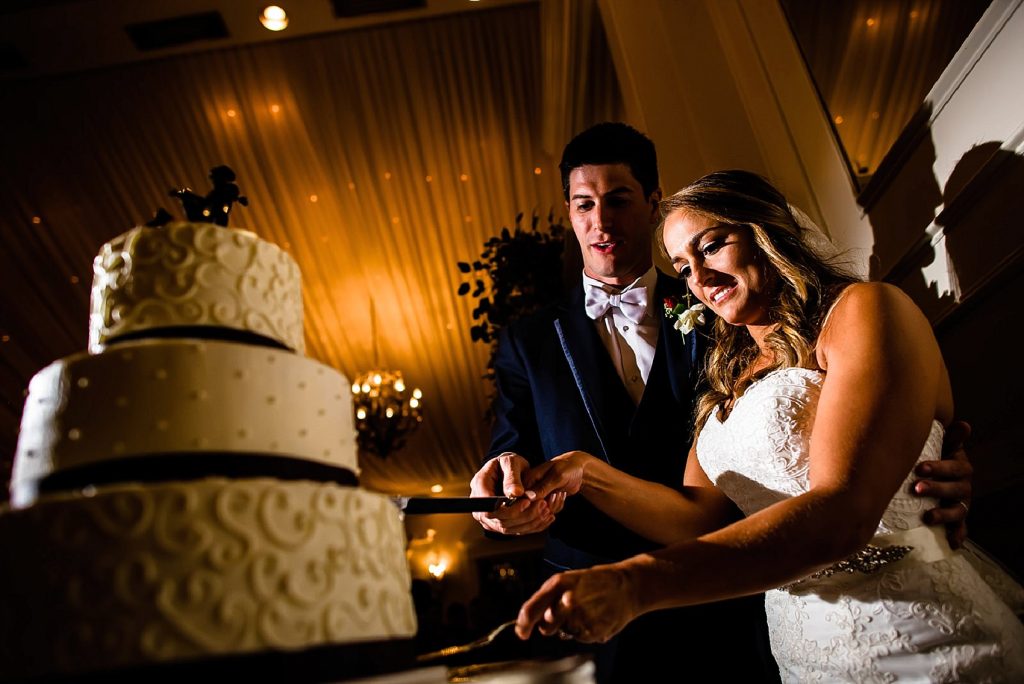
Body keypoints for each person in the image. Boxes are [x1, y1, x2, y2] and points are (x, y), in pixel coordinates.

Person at [469, 123, 975, 682]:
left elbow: (863, 475)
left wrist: (921, 475)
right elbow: (696, 513)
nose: (700, 278)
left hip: (775, 617)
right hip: (718, 629)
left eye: (711, 247)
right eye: (583, 204)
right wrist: (576, 472)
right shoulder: (727, 364)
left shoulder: (816, 315)